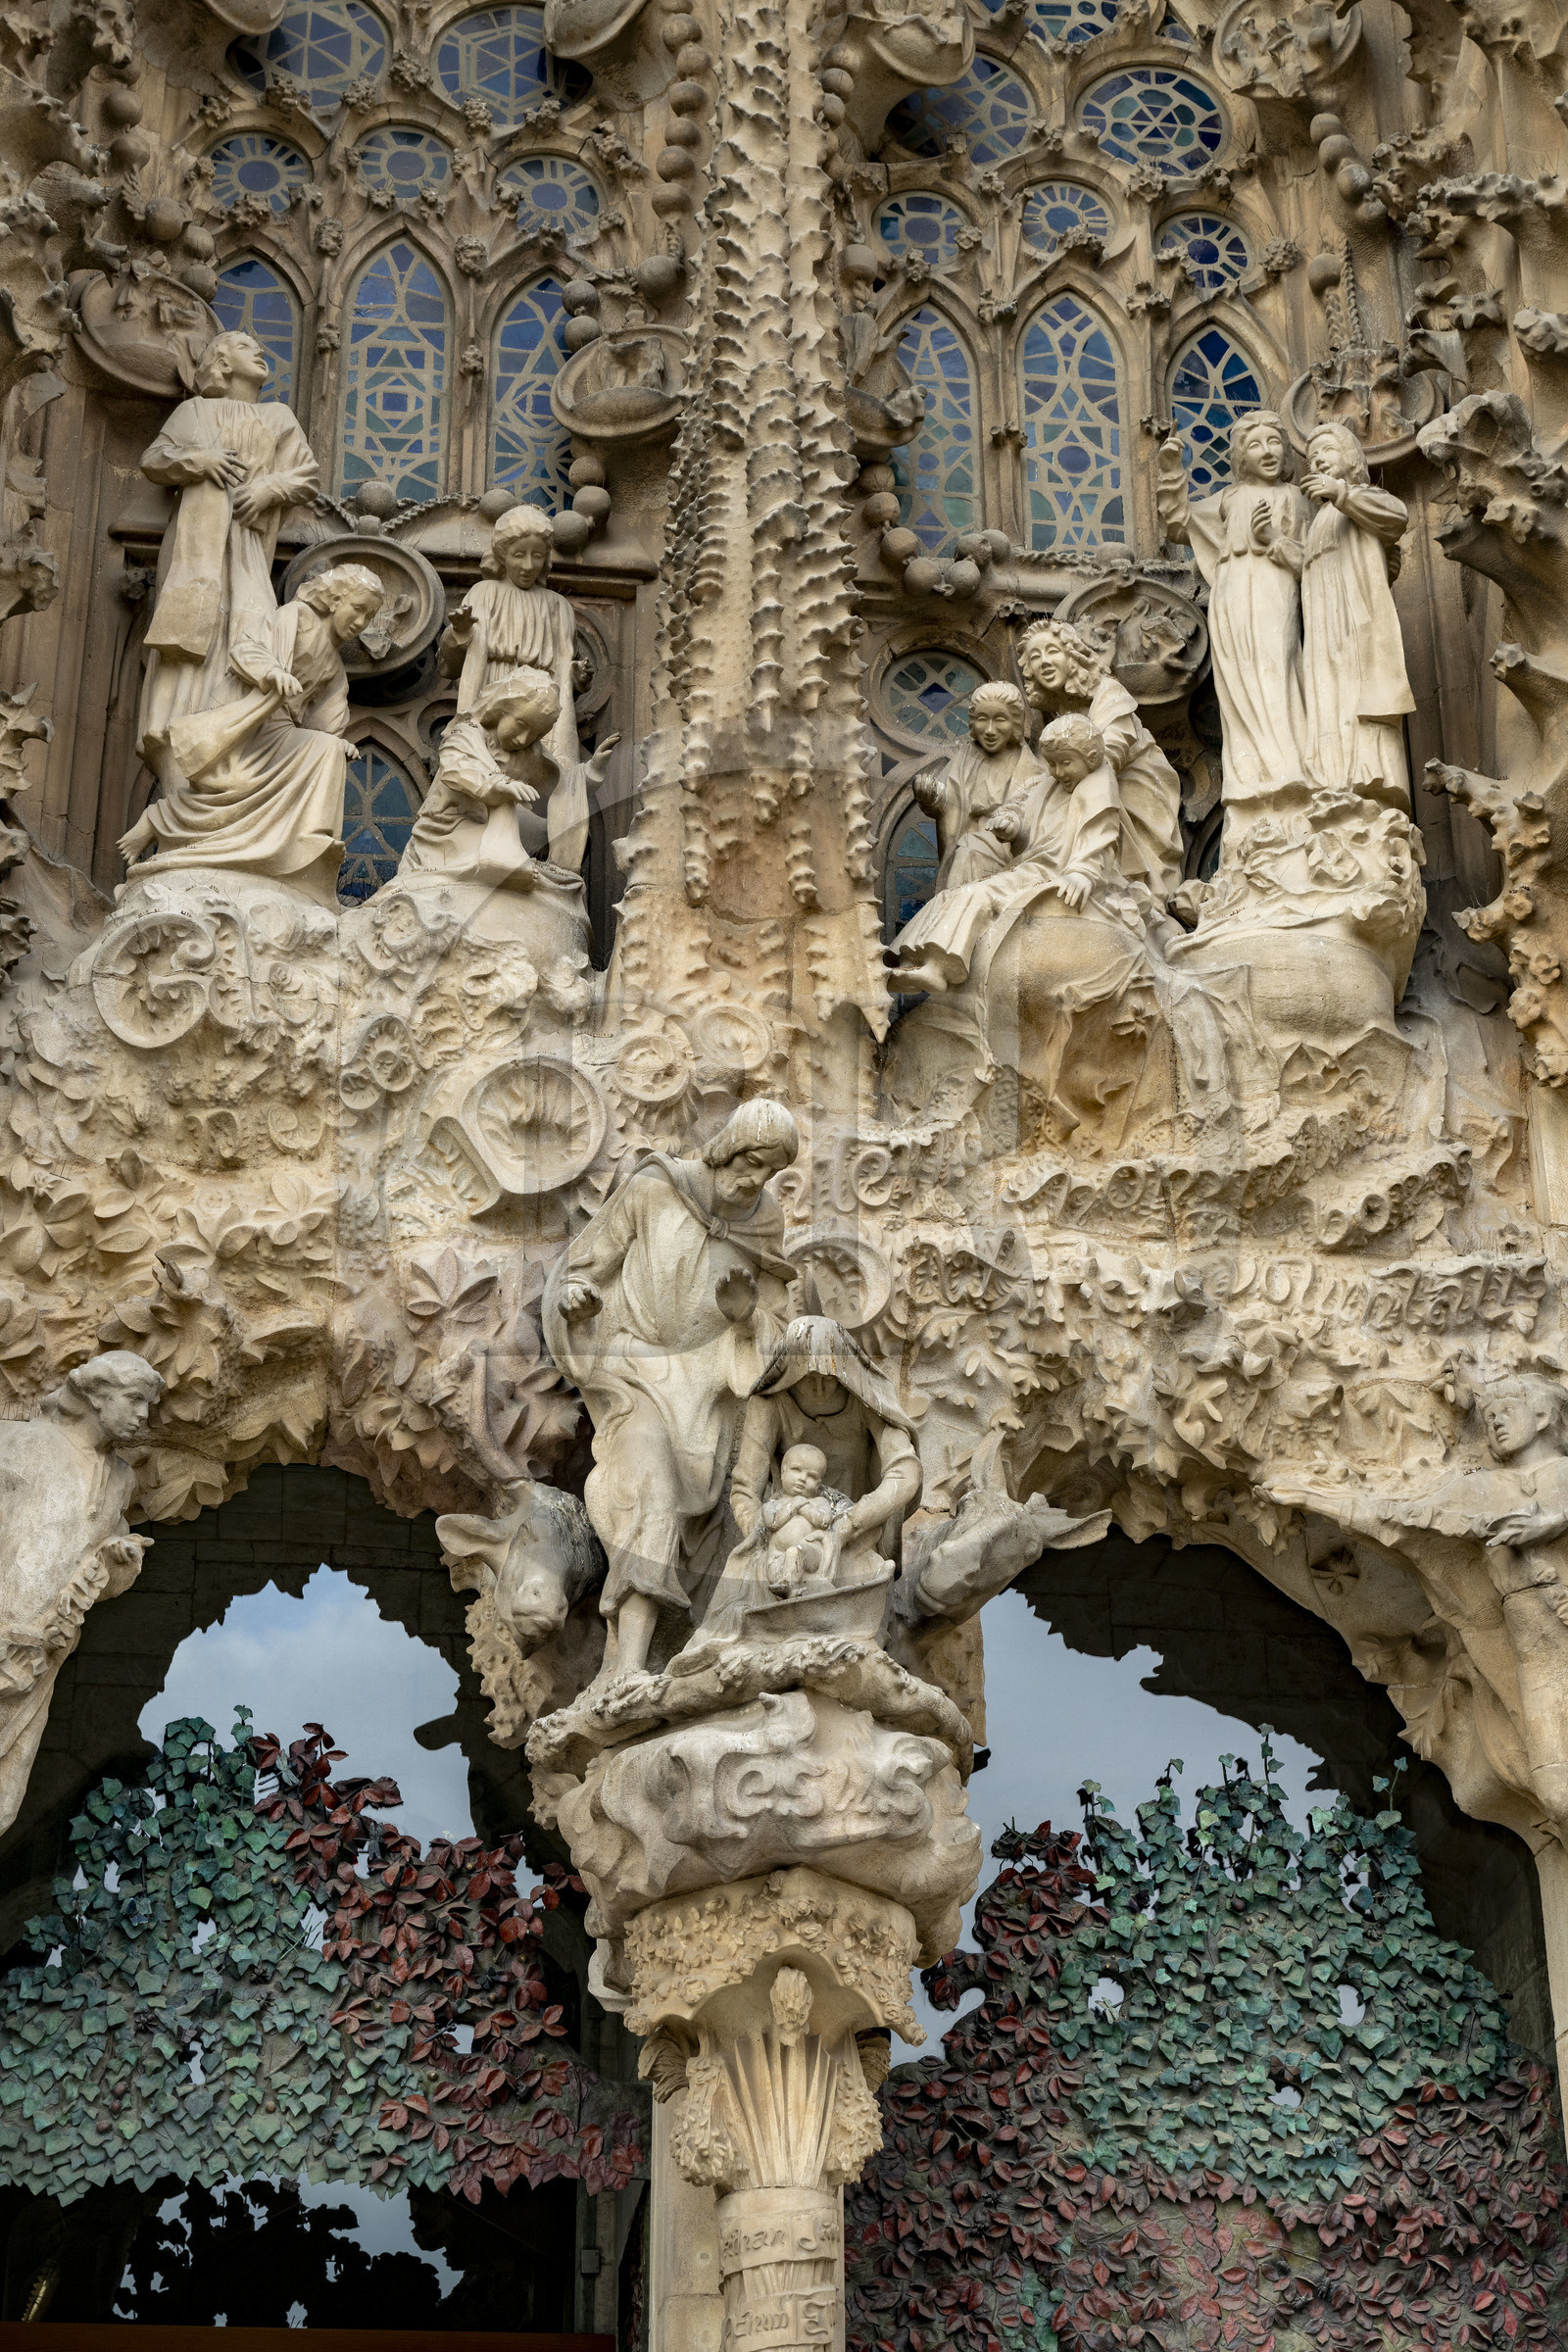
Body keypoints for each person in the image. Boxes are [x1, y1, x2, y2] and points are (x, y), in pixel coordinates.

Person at [542, 1100, 801, 1686]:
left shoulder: (766, 1223)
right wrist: (576, 1296)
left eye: (770, 1172)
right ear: (728, 1149)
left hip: (714, 1391)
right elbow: (587, 1266)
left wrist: (744, 1320)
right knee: (650, 1493)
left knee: (746, 1520)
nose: (755, 1181)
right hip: (636, 1373)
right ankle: (629, 1669)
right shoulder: (655, 1188)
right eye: (751, 1163)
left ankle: (711, 1661)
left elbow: (777, 1325)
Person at [120, 563, 384, 904]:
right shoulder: (296, 617)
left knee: (326, 751)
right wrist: (271, 672)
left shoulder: (333, 665)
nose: (361, 623)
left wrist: (338, 740)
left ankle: (308, 841)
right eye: (358, 609)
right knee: (232, 787)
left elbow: (328, 715)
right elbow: (246, 648)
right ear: (335, 599)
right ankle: (161, 819)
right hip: (248, 719)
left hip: (280, 730)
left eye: (369, 617)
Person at [136, 330, 320, 782]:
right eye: (244, 346)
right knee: (193, 637)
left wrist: (268, 487)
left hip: (249, 548)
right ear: (220, 360)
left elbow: (306, 474)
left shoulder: (278, 417)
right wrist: (200, 460)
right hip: (196, 551)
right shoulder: (194, 411)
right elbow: (154, 459)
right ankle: (181, 743)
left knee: (252, 626)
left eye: (259, 347)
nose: (259, 350)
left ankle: (236, 741)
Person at [0, 1351, 165, 1837]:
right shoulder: (18, 1443)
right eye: (134, 1400)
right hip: (6, 1626)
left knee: (5, 1799)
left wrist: (118, 1565)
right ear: (95, 1394)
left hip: (45, 1650)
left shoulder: (121, 1478)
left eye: (148, 1406)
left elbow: (103, 1576)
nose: (143, 1416)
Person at [891, 712, 1128, 993]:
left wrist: (1083, 873)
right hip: (1030, 869)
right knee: (953, 893)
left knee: (976, 896)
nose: (1057, 772)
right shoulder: (1047, 785)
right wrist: (1010, 826)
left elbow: (1100, 834)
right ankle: (914, 962)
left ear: (1090, 758)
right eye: (1051, 764)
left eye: (1066, 763)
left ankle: (937, 968)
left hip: (1048, 876)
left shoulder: (1097, 784)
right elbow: (1020, 810)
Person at [1155, 412, 1311, 806]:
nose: (1268, 452)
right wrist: (1172, 470)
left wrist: (1274, 539)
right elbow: (1179, 522)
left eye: (1275, 442)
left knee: (1277, 668)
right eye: (1255, 445)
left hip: (1276, 589)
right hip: (1231, 595)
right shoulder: (1229, 498)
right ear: (1241, 456)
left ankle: (1288, 766)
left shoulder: (1296, 498)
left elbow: (1315, 561)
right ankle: (1250, 773)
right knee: (1238, 679)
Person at [437, 506, 587, 865]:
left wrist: (575, 677)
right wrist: (460, 633)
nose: (528, 565)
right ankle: (477, 859)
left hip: (543, 710)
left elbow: (563, 664)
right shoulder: (484, 593)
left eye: (538, 555)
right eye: (519, 555)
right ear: (502, 554)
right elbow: (451, 663)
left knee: (544, 784)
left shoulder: (557, 606)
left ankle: (539, 863)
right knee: (486, 780)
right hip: (496, 697)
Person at [400, 665, 617, 898]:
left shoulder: (528, 751)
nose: (524, 738)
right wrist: (499, 785)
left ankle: (530, 867)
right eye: (521, 725)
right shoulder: (467, 732)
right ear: (500, 709)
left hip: (496, 825)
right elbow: (459, 768)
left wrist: (592, 769)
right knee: (502, 811)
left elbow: (561, 784)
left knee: (553, 833)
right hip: (449, 829)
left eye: (535, 733)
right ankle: (503, 862)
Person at [1015, 615, 1184, 905]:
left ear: (1072, 657)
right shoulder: (1058, 712)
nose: (1044, 662)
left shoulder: (1109, 692)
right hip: (1093, 786)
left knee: (1082, 779)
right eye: (1035, 656)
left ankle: (1086, 868)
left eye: (1053, 651)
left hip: (1136, 789)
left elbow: (1106, 755)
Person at [1299, 420, 1414, 806]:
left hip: (1354, 620)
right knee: (1328, 696)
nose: (1317, 460)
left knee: (1358, 693)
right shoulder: (1317, 522)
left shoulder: (1361, 496)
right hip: (1321, 629)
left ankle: (1370, 777)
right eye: (1311, 458)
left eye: (1326, 451)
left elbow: (1396, 518)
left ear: (1350, 458)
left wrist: (1342, 493)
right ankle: (1334, 778)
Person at [759, 1446, 853, 1597]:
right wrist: (794, 1505)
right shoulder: (771, 1505)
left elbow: (823, 1521)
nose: (802, 1478)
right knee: (776, 1567)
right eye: (796, 1470)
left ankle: (790, 1583)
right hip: (777, 1555)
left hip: (808, 1553)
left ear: (818, 1483)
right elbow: (772, 1522)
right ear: (783, 1471)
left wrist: (803, 1507)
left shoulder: (818, 1502)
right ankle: (788, 1590)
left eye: (811, 1476)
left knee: (794, 1551)